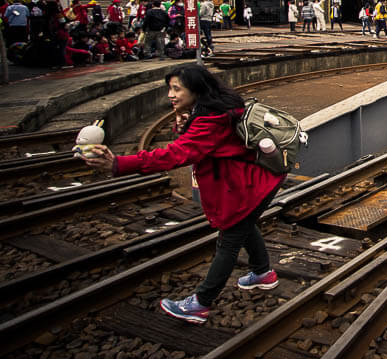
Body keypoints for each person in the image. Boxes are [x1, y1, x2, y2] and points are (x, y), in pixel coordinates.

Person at [84, 65, 284, 324]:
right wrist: (186, 125)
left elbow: (175, 155)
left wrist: (118, 164)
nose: (171, 94)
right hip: (256, 180)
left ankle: (200, 304)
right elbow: (203, 146)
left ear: (197, 89)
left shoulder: (210, 119)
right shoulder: (216, 110)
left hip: (250, 185)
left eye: (176, 89)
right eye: (170, 88)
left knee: (229, 240)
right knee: (243, 225)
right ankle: (262, 273)